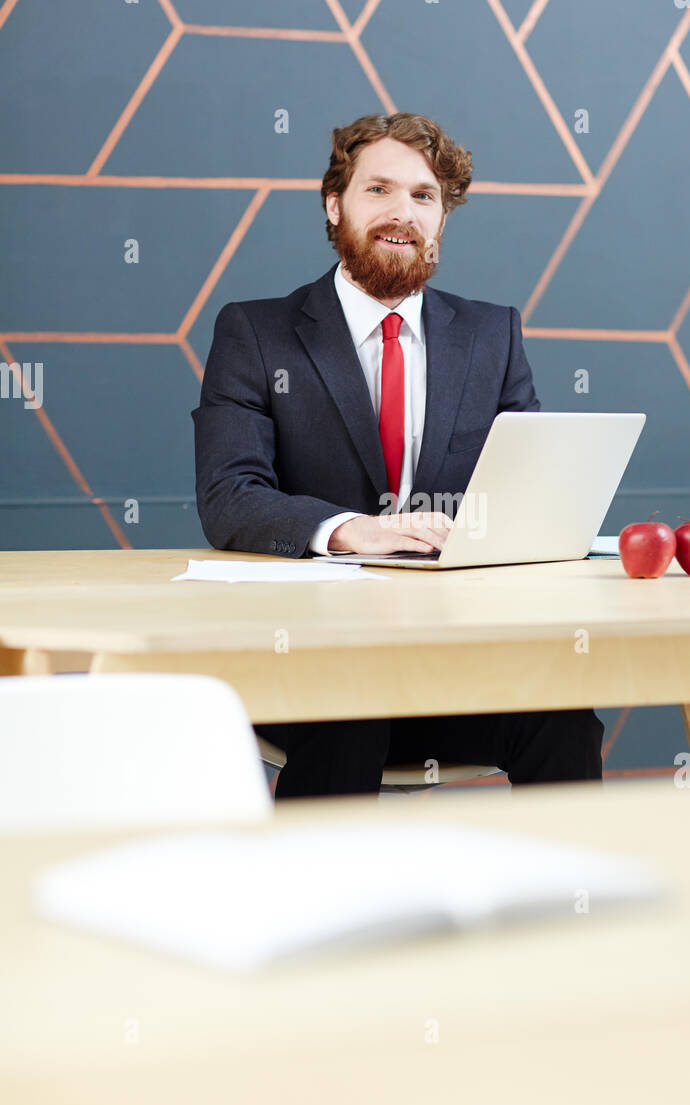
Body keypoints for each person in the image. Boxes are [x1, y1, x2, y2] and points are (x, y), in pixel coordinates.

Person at [192, 111, 603, 795]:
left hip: (454, 666)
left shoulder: (490, 335)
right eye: (378, 190)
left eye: (423, 196)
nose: (402, 212)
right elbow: (229, 496)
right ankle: (314, 902)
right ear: (335, 205)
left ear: (442, 219)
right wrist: (355, 531)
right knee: (348, 714)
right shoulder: (256, 334)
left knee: (564, 716)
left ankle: (575, 895)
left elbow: (527, 493)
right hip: (312, 669)